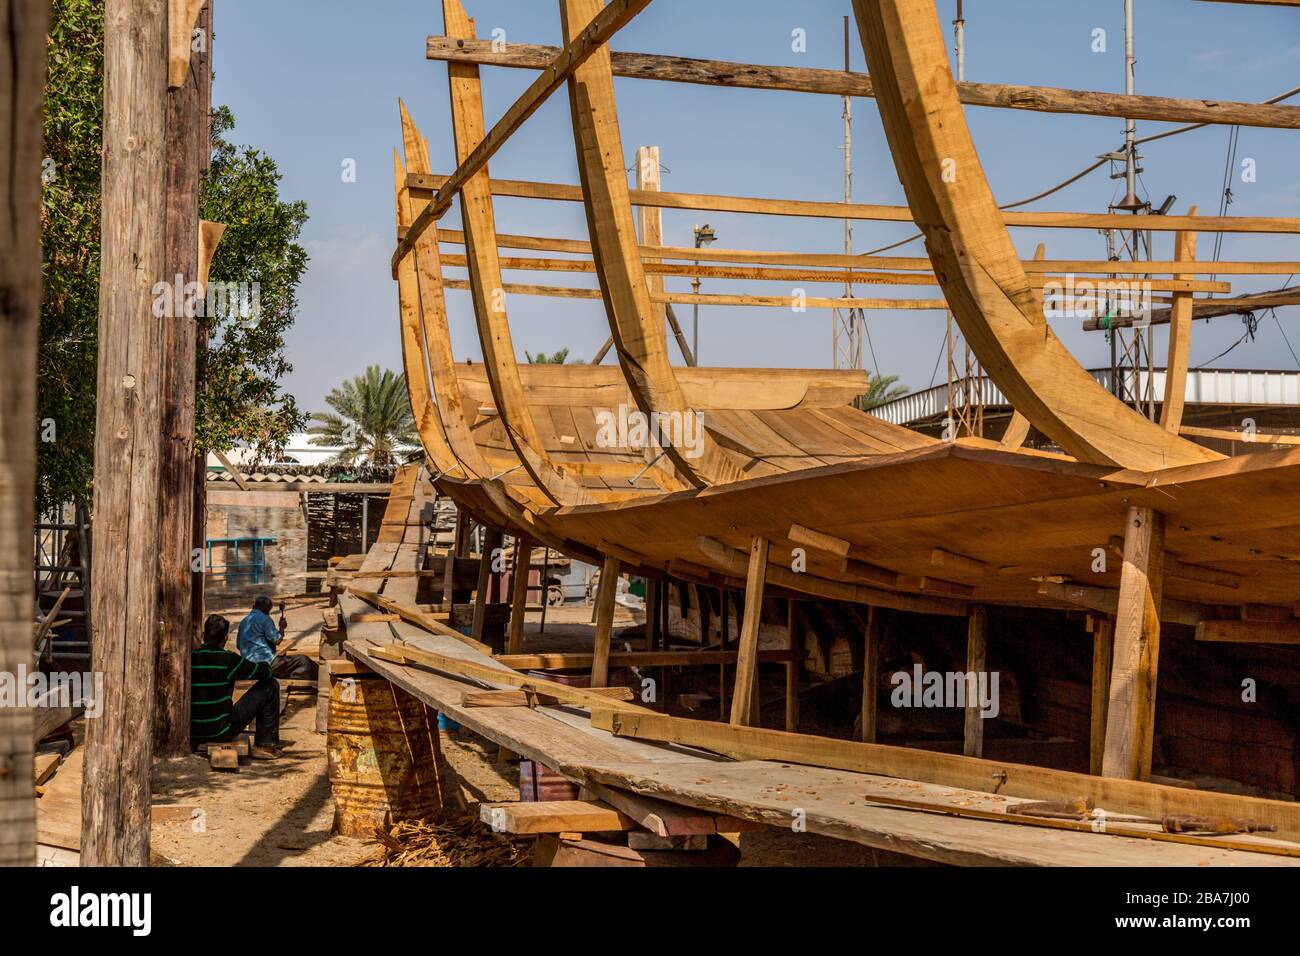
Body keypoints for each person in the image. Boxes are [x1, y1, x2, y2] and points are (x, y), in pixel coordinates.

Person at [192, 614, 282, 757]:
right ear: (225, 638)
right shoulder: (228, 659)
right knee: (270, 685)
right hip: (221, 731)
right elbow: (264, 672)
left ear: (203, 635)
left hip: (192, 731)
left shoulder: (192, 656)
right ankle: (266, 744)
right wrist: (266, 664)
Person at [237, 595, 316, 680]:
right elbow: (277, 640)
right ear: (267, 610)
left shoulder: (243, 622)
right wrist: (281, 628)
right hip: (266, 663)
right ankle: (322, 677)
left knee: (289, 664)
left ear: (253, 606)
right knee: (303, 660)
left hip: (248, 665)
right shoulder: (265, 619)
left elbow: (238, 646)